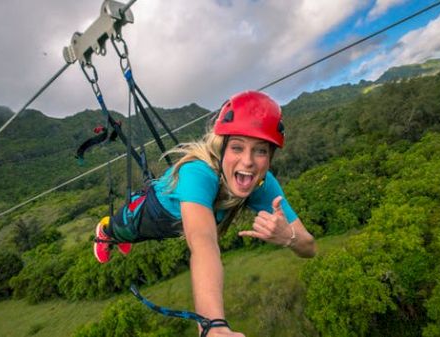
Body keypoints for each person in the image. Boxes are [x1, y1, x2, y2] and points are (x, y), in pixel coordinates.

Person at [94, 90, 316, 337]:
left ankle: (121, 238)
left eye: (261, 151)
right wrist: (213, 324)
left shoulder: (262, 184)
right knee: (123, 228)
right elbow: (203, 242)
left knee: (141, 236)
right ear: (221, 148)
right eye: (237, 147)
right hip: (153, 210)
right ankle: (105, 233)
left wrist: (289, 237)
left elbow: (309, 246)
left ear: (270, 156)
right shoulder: (198, 172)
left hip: (177, 224)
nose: (248, 161)